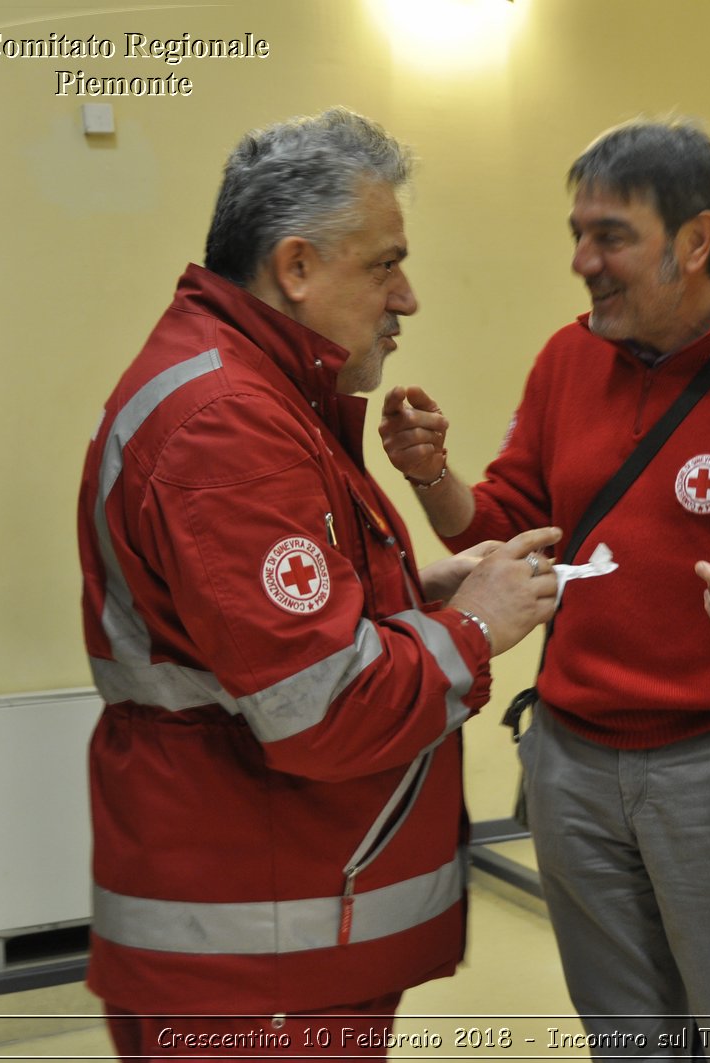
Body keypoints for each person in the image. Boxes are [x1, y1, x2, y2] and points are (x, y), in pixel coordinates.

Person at [76, 108, 560, 1059]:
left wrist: (421, 590)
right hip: (256, 955)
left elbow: (256, 628)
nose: (408, 297)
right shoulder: (228, 427)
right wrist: (474, 628)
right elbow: (322, 706)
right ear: (295, 268)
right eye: (386, 264)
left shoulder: (257, 392)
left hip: (267, 924)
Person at [379, 118, 710, 1057]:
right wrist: (434, 474)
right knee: (627, 1037)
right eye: (577, 233)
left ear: (694, 240)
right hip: (572, 764)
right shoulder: (567, 360)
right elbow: (501, 533)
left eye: (610, 237)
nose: (582, 261)